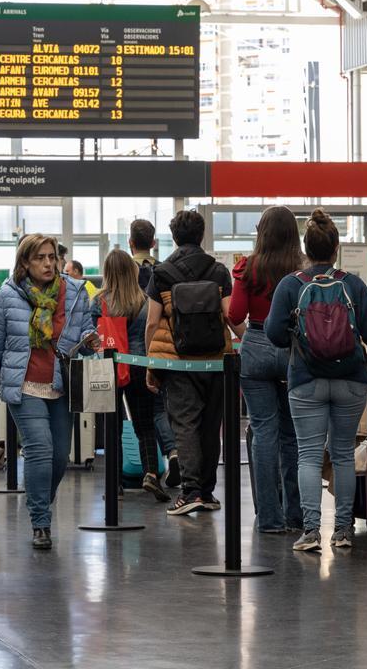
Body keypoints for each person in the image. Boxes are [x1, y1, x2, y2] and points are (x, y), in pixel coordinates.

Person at [0, 235, 100, 550]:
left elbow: (81, 329)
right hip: (23, 385)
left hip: (61, 384)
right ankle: (41, 522)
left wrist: (89, 337)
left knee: (58, 457)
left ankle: (40, 497)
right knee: (39, 450)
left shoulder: (75, 292)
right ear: (25, 262)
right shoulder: (7, 296)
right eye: (40, 258)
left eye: (52, 257)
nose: (48, 264)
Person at [266, 209, 367, 552]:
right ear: (336, 249)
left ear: (307, 248)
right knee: (343, 454)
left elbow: (274, 335)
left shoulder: (291, 285)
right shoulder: (353, 284)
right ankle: (344, 531)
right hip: (350, 381)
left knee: (308, 455)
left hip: (305, 380)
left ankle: (310, 530)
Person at [145, 210, 234, 516]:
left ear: (174, 237)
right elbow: (230, 316)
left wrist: (151, 363)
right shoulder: (219, 271)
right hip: (216, 360)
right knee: (211, 426)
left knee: (185, 425)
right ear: (201, 235)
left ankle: (190, 491)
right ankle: (206, 492)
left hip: (178, 362)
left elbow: (152, 323)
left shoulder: (162, 273)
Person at [229, 206, 304, 534]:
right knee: (292, 436)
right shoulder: (300, 269)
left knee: (263, 433)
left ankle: (270, 519)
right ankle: (296, 515)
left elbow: (235, 313)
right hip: (292, 350)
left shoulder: (248, 267)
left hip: (257, 344)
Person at [92, 249, 169, 502]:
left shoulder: (100, 301)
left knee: (111, 426)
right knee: (144, 424)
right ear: (132, 271)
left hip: (109, 368)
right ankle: (150, 474)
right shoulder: (145, 301)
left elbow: (93, 336)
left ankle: (115, 483)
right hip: (138, 365)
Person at [129, 219, 178, 485]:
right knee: (160, 408)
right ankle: (173, 452)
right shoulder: (164, 271)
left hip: (133, 353)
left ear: (130, 243)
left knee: (141, 419)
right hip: (165, 349)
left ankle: (148, 470)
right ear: (154, 243)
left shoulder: (126, 274)